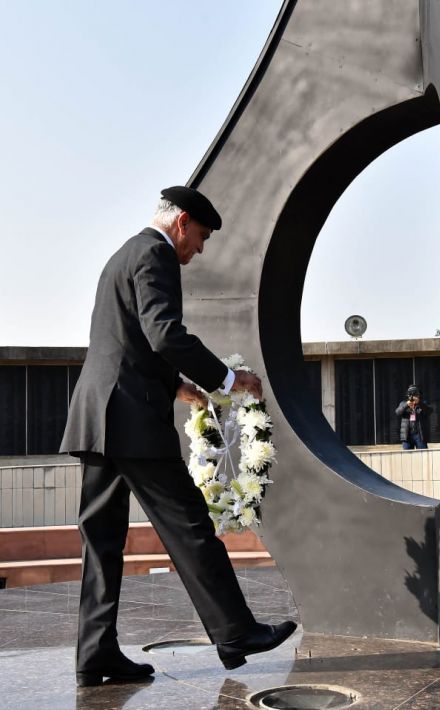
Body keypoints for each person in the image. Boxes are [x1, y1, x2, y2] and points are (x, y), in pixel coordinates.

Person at [60, 187, 296, 687]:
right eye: (202, 236)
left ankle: (95, 653)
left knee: (101, 543)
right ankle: (236, 632)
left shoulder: (124, 253)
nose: (200, 249)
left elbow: (127, 340)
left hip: (99, 415)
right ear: (183, 222)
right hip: (132, 422)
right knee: (189, 526)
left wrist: (178, 386)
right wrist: (229, 381)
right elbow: (164, 333)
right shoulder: (155, 254)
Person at [395, 384, 431, 449]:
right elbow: (397, 412)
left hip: (420, 435)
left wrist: (419, 403)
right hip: (407, 435)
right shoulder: (403, 403)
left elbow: (430, 411)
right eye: (411, 395)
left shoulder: (423, 403)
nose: (413, 397)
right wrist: (406, 405)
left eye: (415, 394)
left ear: (419, 395)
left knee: (422, 455)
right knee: (407, 456)